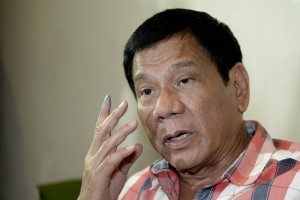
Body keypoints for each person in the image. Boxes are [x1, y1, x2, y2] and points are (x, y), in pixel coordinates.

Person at [78, 8, 300, 200]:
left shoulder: (295, 181)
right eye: (147, 91)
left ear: (237, 86)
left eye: (184, 80)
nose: (163, 108)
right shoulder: (136, 189)